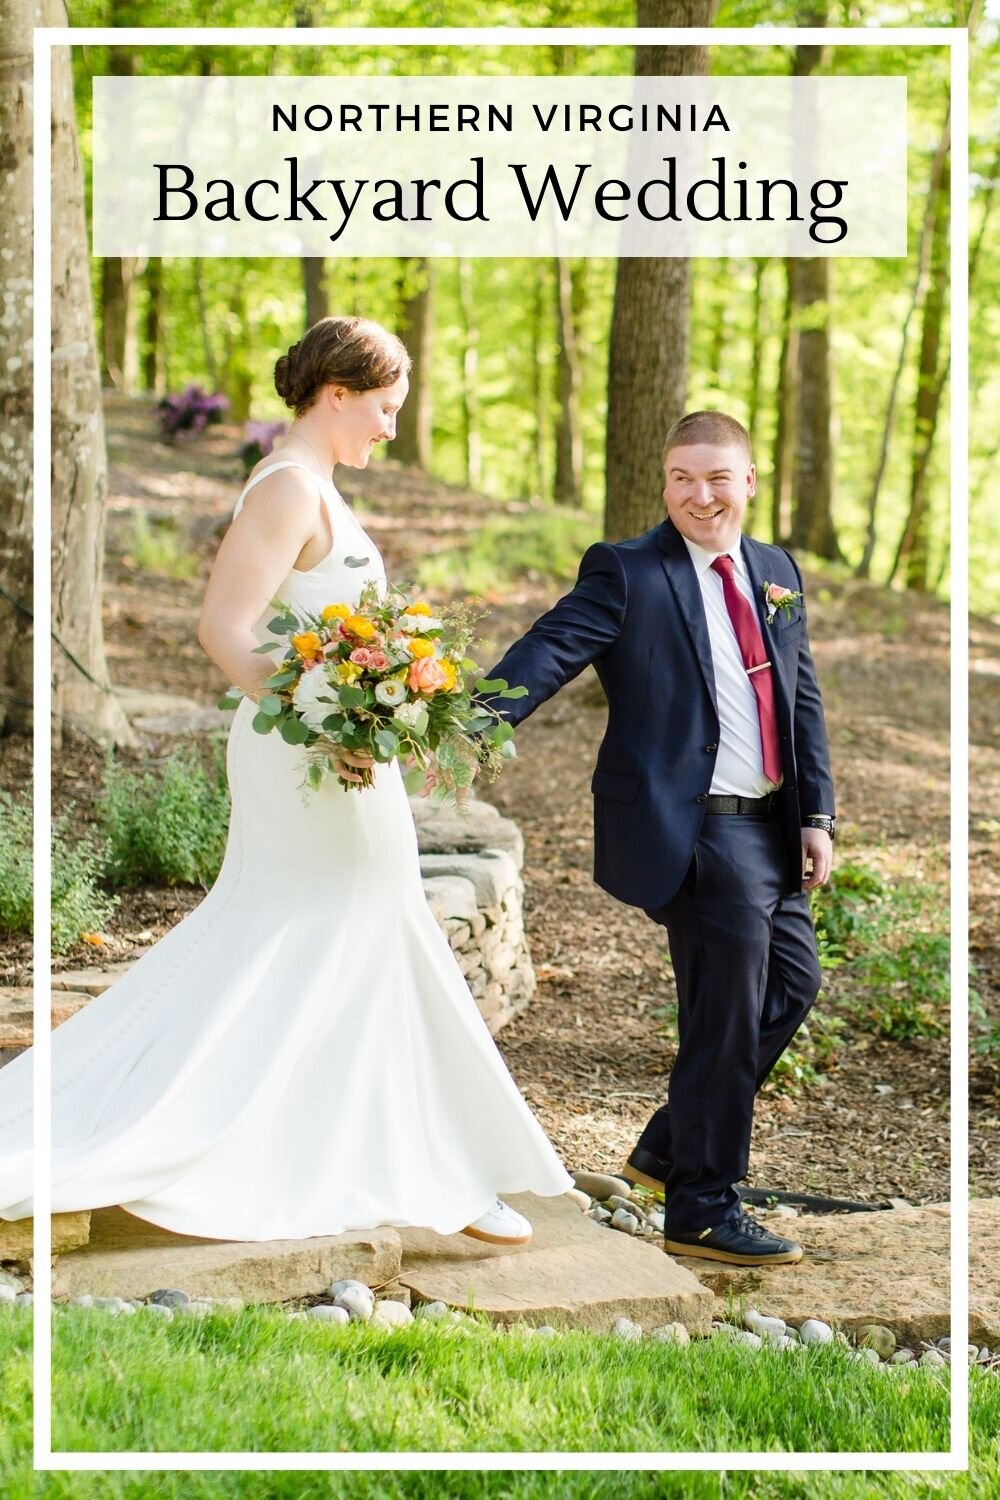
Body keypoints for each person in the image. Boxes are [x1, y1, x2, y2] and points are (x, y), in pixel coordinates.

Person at [0, 315, 572, 1246]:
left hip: (337, 753)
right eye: (385, 407)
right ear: (335, 394)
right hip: (304, 755)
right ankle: (438, 1170)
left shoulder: (318, 488)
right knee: (348, 928)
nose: (393, 427)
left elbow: (324, 631)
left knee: (349, 935)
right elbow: (223, 629)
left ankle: (414, 1160)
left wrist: (385, 702)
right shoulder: (286, 489)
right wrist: (329, 723)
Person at [482, 410, 835, 1266]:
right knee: (724, 1018)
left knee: (792, 986)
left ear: (749, 482)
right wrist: (464, 719)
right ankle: (704, 1207)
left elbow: (803, 699)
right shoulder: (629, 571)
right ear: (664, 483)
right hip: (694, 827)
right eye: (682, 478)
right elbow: (550, 646)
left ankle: (668, 1150)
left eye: (717, 477)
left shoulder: (776, 570)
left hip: (771, 827)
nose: (698, 495)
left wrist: (817, 814)